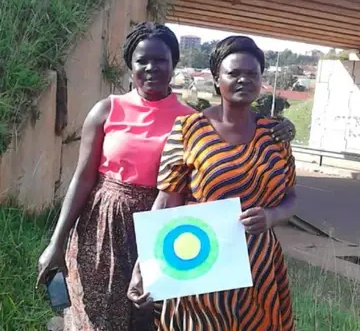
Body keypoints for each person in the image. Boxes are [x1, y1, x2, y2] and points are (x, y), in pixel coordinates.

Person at [37, 22, 295, 331]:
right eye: (141, 60)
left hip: (171, 232)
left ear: (174, 64)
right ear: (130, 66)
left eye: (161, 60)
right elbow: (82, 178)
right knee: (95, 316)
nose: (150, 68)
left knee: (150, 319)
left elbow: (240, 153)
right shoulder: (107, 110)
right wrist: (57, 241)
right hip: (104, 227)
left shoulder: (190, 120)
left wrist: (283, 130)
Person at [128, 36, 298, 330]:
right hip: (198, 260)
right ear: (217, 78)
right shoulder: (189, 129)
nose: (244, 79)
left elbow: (292, 199)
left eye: (252, 74)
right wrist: (144, 263)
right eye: (234, 73)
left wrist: (272, 216)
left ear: (261, 80)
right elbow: (167, 199)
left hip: (258, 265)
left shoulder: (275, 135)